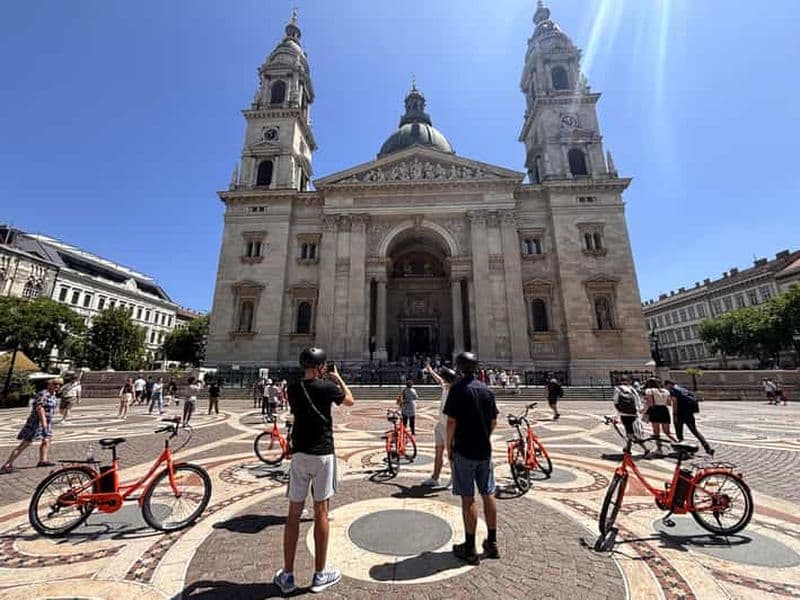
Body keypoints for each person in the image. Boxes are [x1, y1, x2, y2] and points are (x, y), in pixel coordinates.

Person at [273, 347, 354, 594]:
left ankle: (287, 575)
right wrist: (337, 378)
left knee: (293, 513)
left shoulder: (294, 388)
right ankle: (320, 574)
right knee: (321, 510)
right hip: (322, 455)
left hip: (299, 455)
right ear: (321, 367)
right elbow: (349, 401)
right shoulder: (326, 388)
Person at [444, 351, 499, 565]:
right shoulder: (486, 390)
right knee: (488, 493)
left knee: (468, 498)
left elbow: (451, 423)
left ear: (458, 368)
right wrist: (484, 436)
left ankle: (470, 547)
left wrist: (449, 447)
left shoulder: (457, 390)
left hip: (464, 450)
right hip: (484, 450)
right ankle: (492, 542)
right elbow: (494, 422)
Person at [1, 376, 62, 473]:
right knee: (26, 443)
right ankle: (7, 464)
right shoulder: (43, 394)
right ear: (49, 384)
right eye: (55, 384)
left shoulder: (53, 395)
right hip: (36, 423)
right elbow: (39, 408)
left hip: (47, 422)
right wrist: (44, 422)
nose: (57, 386)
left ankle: (43, 460)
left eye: (59, 384)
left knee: (46, 440)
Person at [422, 365, 457, 488]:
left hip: (449, 427)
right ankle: (435, 478)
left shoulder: (456, 391)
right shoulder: (446, 387)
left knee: (451, 454)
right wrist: (431, 372)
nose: (443, 381)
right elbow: (439, 380)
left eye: (445, 379)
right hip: (440, 425)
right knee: (438, 452)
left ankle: (454, 479)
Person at [665, 380, 714, 456]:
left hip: (680, 413)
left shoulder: (673, 390)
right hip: (689, 413)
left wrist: (674, 414)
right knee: (695, 431)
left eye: (666, 386)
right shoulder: (683, 389)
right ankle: (707, 448)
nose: (666, 388)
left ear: (668, 384)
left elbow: (675, 403)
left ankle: (682, 450)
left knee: (679, 432)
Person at [613, 376, 649, 455]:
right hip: (634, 413)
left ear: (621, 381)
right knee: (631, 432)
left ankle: (643, 449)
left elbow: (615, 402)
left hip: (624, 414)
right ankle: (628, 448)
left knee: (630, 433)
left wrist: (618, 413)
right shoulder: (632, 389)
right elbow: (638, 401)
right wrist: (638, 411)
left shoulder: (618, 389)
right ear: (629, 381)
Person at [642, 378, 675, 456]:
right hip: (664, 410)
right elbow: (669, 403)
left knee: (656, 432)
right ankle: (679, 444)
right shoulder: (666, 391)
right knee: (667, 432)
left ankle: (659, 449)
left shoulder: (649, 391)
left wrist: (643, 410)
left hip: (655, 411)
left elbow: (650, 404)